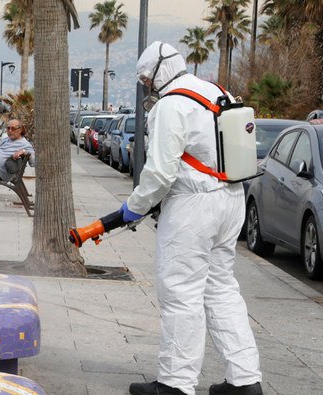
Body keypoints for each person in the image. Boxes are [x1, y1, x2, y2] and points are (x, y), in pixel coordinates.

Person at [120, 42, 263, 395]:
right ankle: (245, 380)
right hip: (231, 201)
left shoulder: (171, 105)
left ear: (158, 71)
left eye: (145, 77)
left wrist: (135, 206)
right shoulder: (218, 91)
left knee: (181, 293)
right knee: (222, 290)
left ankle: (176, 383)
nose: (146, 85)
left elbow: (160, 173)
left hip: (192, 208)